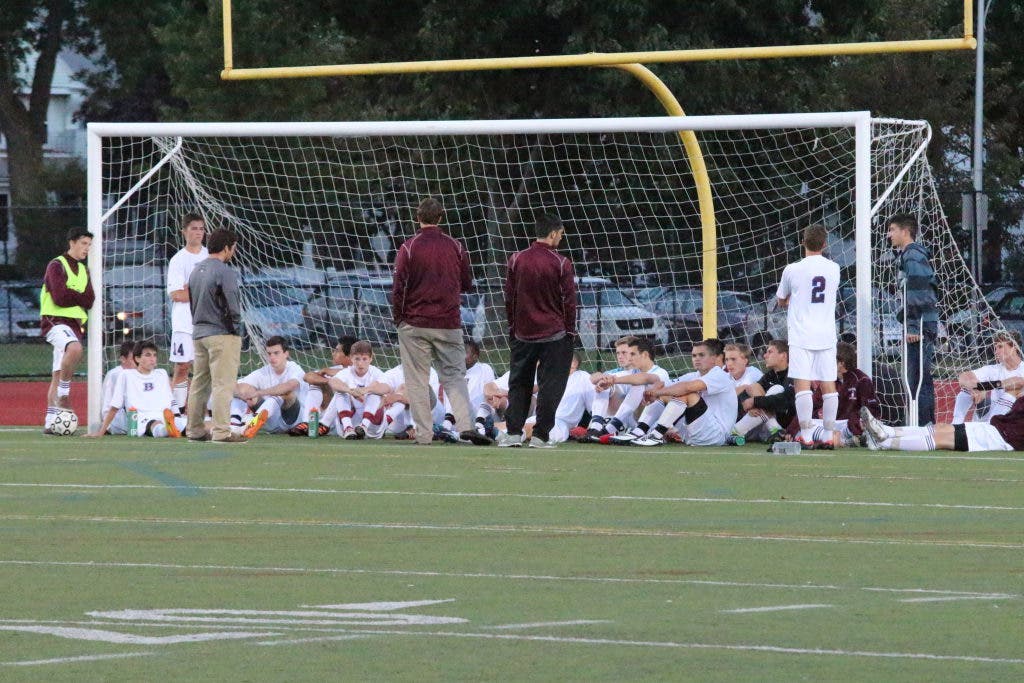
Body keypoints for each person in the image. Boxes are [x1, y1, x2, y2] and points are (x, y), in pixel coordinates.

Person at [391, 197, 491, 446]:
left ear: (417, 217)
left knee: (417, 379)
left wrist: (399, 319)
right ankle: (466, 426)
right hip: (448, 322)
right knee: (455, 376)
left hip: (415, 323)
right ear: (441, 217)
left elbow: (398, 286)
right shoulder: (455, 247)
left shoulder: (409, 247)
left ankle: (424, 434)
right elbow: (467, 282)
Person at [498, 213, 578, 449]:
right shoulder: (562, 263)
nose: (561, 239)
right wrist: (570, 332)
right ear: (553, 233)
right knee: (551, 385)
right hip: (554, 334)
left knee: (518, 383)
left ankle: (513, 433)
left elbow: (509, 298)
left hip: (523, 333)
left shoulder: (516, 259)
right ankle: (541, 435)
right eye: (561, 234)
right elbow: (569, 302)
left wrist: (513, 327)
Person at [776, 224, 841, 448]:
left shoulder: (792, 269)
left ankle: (805, 434)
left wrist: (793, 299)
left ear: (803, 242)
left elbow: (781, 299)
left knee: (802, 384)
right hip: (825, 334)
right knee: (828, 385)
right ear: (825, 244)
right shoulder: (834, 268)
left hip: (801, 334)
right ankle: (828, 436)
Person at [186, 228, 246, 444]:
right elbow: (232, 304)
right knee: (223, 384)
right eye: (234, 247)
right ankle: (221, 431)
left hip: (199, 333)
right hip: (221, 333)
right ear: (227, 247)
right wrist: (236, 328)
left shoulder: (196, 270)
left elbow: (192, 302)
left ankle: (194, 429)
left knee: (199, 383)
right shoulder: (224, 271)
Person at [861, 378, 1024, 452]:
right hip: (995, 426)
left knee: (941, 439)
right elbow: (1018, 381)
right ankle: (887, 431)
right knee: (939, 428)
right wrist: (984, 386)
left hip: (1004, 437)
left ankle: (884, 443)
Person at [40, 227, 95, 433]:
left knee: (57, 372)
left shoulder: (84, 270)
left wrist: (73, 294)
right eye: (83, 243)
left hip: (73, 324)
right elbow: (59, 297)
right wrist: (76, 295)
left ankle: (50, 422)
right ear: (71, 242)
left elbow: (89, 300)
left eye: (89, 245)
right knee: (75, 349)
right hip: (54, 320)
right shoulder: (56, 265)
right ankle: (64, 394)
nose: (86, 248)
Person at [631, 338, 736, 447]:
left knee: (686, 393)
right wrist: (654, 391)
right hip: (692, 434)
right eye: (694, 356)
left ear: (714, 359)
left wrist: (657, 392)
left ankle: (656, 435)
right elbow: (664, 384)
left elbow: (687, 387)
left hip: (715, 435)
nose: (697, 359)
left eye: (701, 355)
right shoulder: (693, 375)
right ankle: (638, 431)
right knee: (666, 394)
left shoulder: (719, 375)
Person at [888, 213, 938, 425]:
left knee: (918, 378)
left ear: (905, 231)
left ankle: (925, 427)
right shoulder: (909, 255)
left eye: (892, 230)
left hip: (919, 325)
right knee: (917, 377)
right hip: (920, 322)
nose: (889, 234)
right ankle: (922, 424)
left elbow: (919, 292)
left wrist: (912, 326)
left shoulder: (912, 256)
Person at [86, 340, 185, 438]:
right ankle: (167, 430)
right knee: (155, 425)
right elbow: (114, 406)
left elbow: (171, 400)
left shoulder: (162, 373)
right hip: (142, 419)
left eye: (154, 355)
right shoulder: (126, 375)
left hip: (166, 415)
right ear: (137, 359)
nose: (153, 359)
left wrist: (177, 416)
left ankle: (176, 427)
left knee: (187, 423)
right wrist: (101, 431)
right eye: (148, 355)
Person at [588, 337, 670, 444]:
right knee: (604, 386)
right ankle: (596, 426)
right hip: (633, 422)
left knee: (638, 385)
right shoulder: (633, 372)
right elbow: (595, 378)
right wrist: (606, 381)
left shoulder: (661, 372)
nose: (629, 358)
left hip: (651, 424)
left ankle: (609, 429)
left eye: (632, 354)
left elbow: (644, 378)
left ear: (644, 355)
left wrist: (613, 380)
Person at [166, 213, 208, 411]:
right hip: (184, 323)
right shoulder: (178, 260)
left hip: (207, 323)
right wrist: (199, 289)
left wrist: (190, 288)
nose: (198, 232)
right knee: (183, 366)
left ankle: (205, 411)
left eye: (201, 228)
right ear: (184, 231)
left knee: (207, 368)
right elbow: (177, 295)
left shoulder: (210, 256)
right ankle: (177, 410)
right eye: (194, 228)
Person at [232, 336, 307, 438]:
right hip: (271, 423)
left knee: (284, 394)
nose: (272, 357)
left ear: (286, 354)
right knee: (246, 390)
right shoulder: (263, 372)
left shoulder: (295, 369)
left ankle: (250, 422)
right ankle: (235, 424)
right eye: (269, 354)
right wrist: (246, 393)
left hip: (293, 422)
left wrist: (258, 393)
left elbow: (289, 386)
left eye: (276, 353)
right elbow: (235, 387)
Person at [289, 336, 357, 436]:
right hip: (326, 422)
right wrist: (329, 381)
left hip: (350, 421)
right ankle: (307, 422)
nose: (333, 353)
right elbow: (308, 377)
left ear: (349, 356)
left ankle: (317, 423)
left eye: (337, 351)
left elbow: (351, 374)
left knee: (341, 391)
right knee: (316, 385)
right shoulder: (333, 370)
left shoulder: (362, 372)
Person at [730, 339, 794, 444]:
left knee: (777, 389)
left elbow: (785, 401)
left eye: (770, 352)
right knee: (753, 387)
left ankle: (736, 431)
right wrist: (749, 403)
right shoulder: (769, 375)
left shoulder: (793, 375)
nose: (765, 356)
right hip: (765, 426)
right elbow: (746, 394)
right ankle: (776, 430)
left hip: (786, 424)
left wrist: (755, 402)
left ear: (783, 355)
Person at [952, 331, 1024, 424]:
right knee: (967, 389)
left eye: (1000, 346)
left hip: (1015, 420)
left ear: (1014, 347)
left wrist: (984, 387)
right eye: (995, 347)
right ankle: (956, 423)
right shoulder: (994, 369)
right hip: (991, 412)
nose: (996, 351)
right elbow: (964, 377)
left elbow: (1017, 382)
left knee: (1011, 392)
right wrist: (976, 388)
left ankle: (991, 427)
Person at [523, 353, 593, 444]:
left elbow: (594, 403)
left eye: (571, 368)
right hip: (539, 417)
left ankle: (507, 433)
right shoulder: (551, 376)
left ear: (576, 368)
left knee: (526, 428)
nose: (567, 369)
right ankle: (500, 432)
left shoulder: (582, 377)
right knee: (514, 425)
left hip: (560, 424)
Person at [326, 340, 387, 439]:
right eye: (357, 359)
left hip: (373, 425)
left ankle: (364, 426)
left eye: (364, 359)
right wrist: (350, 391)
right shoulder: (347, 372)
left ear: (371, 358)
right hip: (352, 420)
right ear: (351, 358)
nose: (360, 363)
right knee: (340, 393)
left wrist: (366, 390)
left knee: (375, 393)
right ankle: (348, 428)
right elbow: (332, 382)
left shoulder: (377, 373)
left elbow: (386, 388)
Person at [581, 336, 638, 441]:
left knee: (608, 384)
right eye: (618, 353)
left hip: (636, 419)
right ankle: (596, 427)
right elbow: (592, 378)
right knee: (603, 385)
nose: (620, 356)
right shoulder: (614, 372)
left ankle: (599, 427)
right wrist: (603, 378)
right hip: (616, 418)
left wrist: (609, 380)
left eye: (624, 353)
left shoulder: (644, 372)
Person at [97, 340, 138, 435]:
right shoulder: (115, 374)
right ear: (123, 359)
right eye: (133, 359)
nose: (137, 363)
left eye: (138, 358)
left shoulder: (139, 374)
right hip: (115, 418)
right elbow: (109, 404)